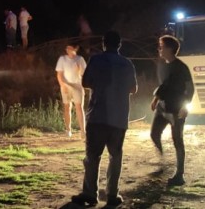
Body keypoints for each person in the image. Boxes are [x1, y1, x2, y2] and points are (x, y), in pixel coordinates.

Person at [73, 31, 137, 208]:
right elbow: (133, 88)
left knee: (92, 157)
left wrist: (100, 84)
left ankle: (90, 193)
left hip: (98, 115)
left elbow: (85, 83)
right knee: (115, 156)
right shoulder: (127, 63)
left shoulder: (95, 60)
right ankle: (112, 195)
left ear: (104, 43)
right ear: (119, 45)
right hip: (118, 117)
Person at [150, 34, 195, 187]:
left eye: (161, 46)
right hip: (162, 108)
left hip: (176, 109)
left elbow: (190, 88)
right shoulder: (161, 65)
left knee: (178, 141)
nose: (159, 49)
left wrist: (185, 106)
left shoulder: (181, 67)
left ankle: (179, 174)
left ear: (169, 49)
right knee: (154, 134)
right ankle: (163, 162)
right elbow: (164, 84)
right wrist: (156, 99)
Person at [55, 44, 86, 138]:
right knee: (67, 107)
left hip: (77, 85)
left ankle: (83, 131)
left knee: (79, 107)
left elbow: (82, 73)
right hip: (66, 85)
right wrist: (62, 85)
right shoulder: (62, 59)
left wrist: (79, 69)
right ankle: (68, 130)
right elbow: (59, 74)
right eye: (67, 48)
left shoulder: (80, 59)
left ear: (75, 49)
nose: (68, 50)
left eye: (71, 48)